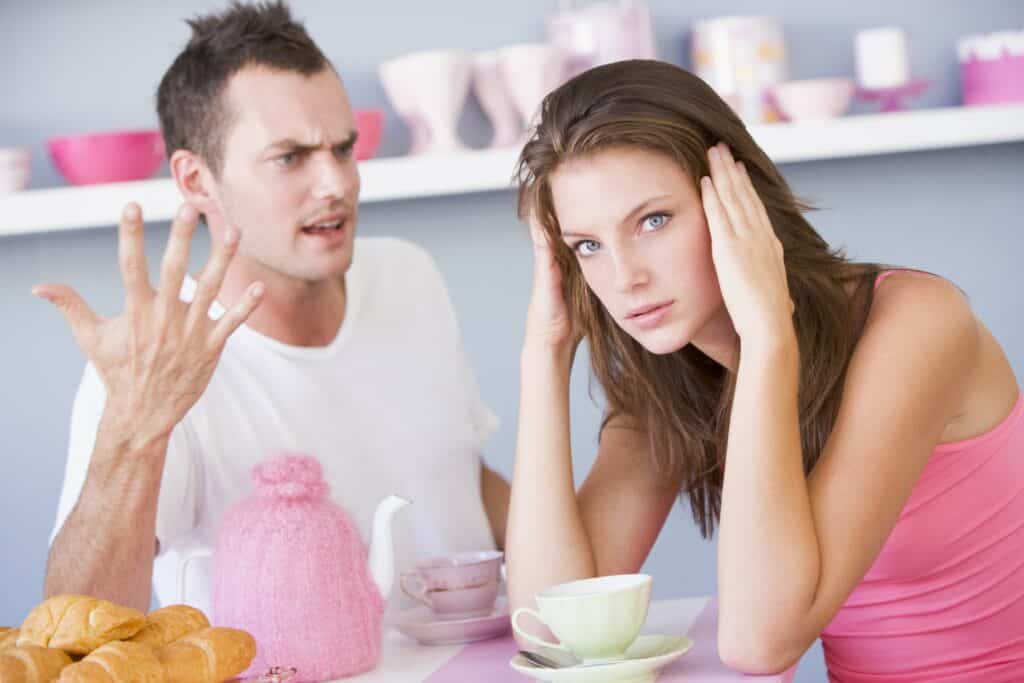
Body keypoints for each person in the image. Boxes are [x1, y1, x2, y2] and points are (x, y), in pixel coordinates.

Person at [505, 59, 1023, 682]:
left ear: (737, 200)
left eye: (652, 221)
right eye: (588, 244)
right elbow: (551, 630)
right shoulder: (669, 383)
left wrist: (768, 335)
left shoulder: (915, 324)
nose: (624, 277)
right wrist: (544, 353)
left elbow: (759, 644)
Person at [39, 0, 509, 616]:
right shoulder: (150, 360)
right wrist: (136, 427)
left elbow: (457, 478)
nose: (336, 184)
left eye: (343, 148)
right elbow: (79, 625)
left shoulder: (407, 272)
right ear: (196, 181)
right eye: (289, 158)